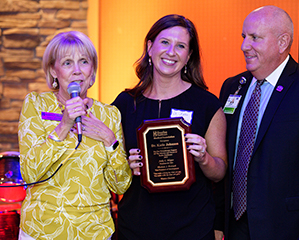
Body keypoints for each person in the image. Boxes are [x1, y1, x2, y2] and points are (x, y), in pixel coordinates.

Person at [217, 5, 299, 240]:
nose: (245, 46)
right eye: (244, 37)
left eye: (255, 38)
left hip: (287, 229)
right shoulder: (232, 87)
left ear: (283, 42)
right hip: (234, 227)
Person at [111, 14, 227, 240]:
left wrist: (203, 158)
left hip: (191, 229)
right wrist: (126, 165)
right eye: (165, 42)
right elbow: (108, 166)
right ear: (150, 46)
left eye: (181, 46)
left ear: (189, 56)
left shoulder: (206, 104)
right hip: (134, 229)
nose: (171, 52)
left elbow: (219, 172)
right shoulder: (125, 104)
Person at [18, 31, 132, 240]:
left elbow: (120, 184)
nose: (77, 71)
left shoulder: (109, 114)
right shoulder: (36, 105)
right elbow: (29, 172)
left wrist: (110, 140)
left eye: (84, 62)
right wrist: (63, 125)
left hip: (95, 232)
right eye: (68, 63)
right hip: (43, 230)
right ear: (54, 70)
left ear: (93, 70)